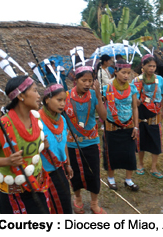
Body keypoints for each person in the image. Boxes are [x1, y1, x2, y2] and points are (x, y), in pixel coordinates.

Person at [0, 76, 50, 214]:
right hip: (14, 193)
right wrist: (7, 161)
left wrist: (41, 145)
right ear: (21, 96)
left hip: (37, 184)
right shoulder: (0, 127)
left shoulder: (35, 119)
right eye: (35, 91)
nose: (39, 96)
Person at [64, 65, 107, 214]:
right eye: (84, 80)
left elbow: (103, 117)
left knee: (93, 172)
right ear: (76, 80)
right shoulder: (66, 96)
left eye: (90, 80)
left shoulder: (94, 95)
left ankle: (94, 203)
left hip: (91, 141)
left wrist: (99, 97)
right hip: (71, 142)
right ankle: (78, 199)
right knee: (74, 172)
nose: (88, 84)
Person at [102, 59, 139, 191]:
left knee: (129, 153)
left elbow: (134, 107)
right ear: (116, 72)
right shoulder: (107, 89)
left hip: (128, 126)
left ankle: (128, 180)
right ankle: (111, 179)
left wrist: (136, 126)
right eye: (123, 72)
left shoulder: (132, 88)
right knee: (112, 153)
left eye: (128, 73)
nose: (126, 76)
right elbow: (100, 105)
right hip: (112, 126)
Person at [39, 83, 73, 214]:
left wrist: (68, 164)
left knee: (64, 206)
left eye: (64, 100)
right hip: (42, 174)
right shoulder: (36, 121)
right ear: (47, 99)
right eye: (59, 100)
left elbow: (63, 143)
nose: (62, 104)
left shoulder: (62, 120)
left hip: (59, 169)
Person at [133, 54, 163, 179]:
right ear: (143, 66)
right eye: (149, 66)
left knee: (155, 141)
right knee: (141, 141)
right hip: (141, 115)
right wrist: (136, 102)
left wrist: (162, 109)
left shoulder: (160, 80)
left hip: (155, 115)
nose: (152, 68)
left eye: (154, 66)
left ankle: (154, 167)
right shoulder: (136, 81)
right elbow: (133, 100)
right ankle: (140, 164)